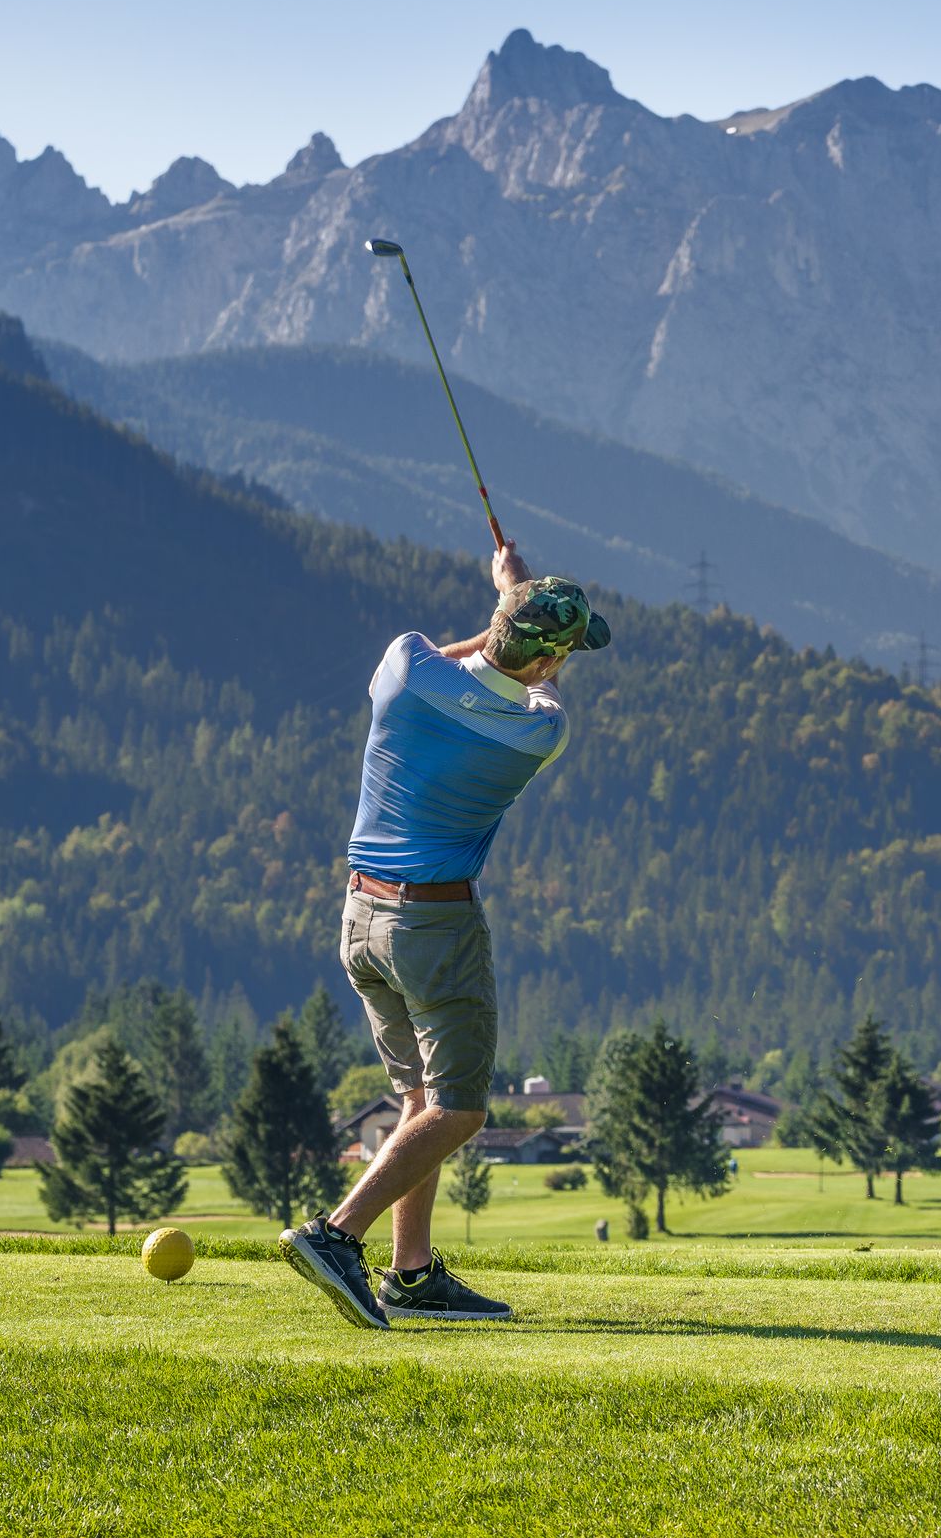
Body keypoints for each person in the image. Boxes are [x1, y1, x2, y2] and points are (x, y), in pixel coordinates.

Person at [279, 543, 608, 1328]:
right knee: (459, 1110)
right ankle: (336, 1235)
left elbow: (458, 658)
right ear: (551, 658)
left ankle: (413, 1273)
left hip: (360, 918)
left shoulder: (402, 670)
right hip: (434, 928)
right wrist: (518, 611)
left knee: (419, 1099)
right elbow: (535, 685)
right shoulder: (539, 731)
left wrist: (504, 600)